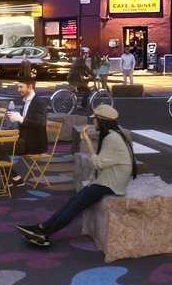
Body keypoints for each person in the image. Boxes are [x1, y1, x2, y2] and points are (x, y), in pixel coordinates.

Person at [17, 104, 134, 248]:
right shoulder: (111, 135)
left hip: (112, 183)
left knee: (75, 205)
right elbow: (102, 164)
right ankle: (42, 227)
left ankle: (45, 234)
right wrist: (92, 180)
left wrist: (87, 140)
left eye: (95, 120)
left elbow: (97, 163)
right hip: (106, 179)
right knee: (73, 201)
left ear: (102, 121)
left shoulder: (112, 139)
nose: (93, 123)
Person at [0, 78, 49, 187]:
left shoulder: (40, 103)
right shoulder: (25, 101)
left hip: (35, 144)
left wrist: (21, 119)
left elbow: (40, 124)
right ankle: (14, 177)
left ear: (30, 87)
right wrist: (17, 126)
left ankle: (10, 178)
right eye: (18, 87)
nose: (18, 89)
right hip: (23, 140)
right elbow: (25, 125)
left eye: (21, 87)